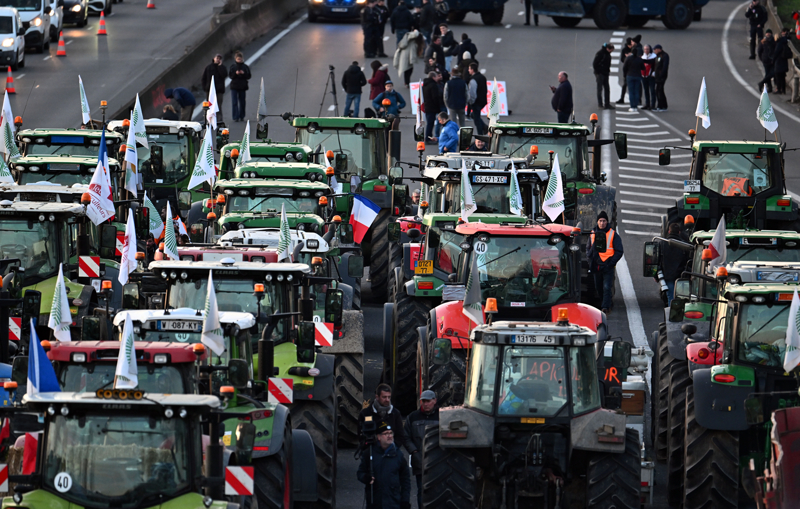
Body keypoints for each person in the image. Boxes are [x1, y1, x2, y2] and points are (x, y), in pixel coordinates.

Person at [357, 422, 411, 509]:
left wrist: (405, 500)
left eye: (391, 433)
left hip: (393, 501)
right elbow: (360, 473)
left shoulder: (398, 455)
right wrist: (366, 478)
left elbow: (405, 479)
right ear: (378, 437)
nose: (389, 436)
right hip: (375, 501)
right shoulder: (369, 453)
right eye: (386, 434)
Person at [404, 390, 439, 508]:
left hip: (438, 460)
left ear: (434, 401)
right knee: (422, 490)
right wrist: (414, 451)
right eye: (423, 401)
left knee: (438, 490)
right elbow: (406, 437)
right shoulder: (413, 417)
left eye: (428, 401)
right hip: (419, 460)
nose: (425, 404)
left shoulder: (442, 416)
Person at [586, 211, 623, 314]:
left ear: (607, 222)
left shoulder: (613, 234)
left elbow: (619, 251)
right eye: (600, 221)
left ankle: (605, 308)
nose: (602, 223)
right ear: (597, 222)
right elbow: (588, 248)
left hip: (607, 266)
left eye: (604, 221)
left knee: (607, 287)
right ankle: (605, 303)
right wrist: (590, 260)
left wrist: (611, 263)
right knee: (599, 287)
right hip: (596, 266)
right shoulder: (592, 234)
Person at [358, 384, 414, 452]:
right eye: (384, 397)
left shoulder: (395, 414)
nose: (387, 400)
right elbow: (360, 435)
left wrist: (392, 448)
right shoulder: (365, 414)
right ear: (377, 397)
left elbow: (400, 436)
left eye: (389, 397)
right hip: (371, 451)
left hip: (391, 451)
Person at [659, 223, 692, 306]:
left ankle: (671, 316)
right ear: (679, 232)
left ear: (669, 231)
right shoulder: (685, 245)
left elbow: (658, 260)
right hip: (681, 276)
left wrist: (657, 275)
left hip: (668, 276)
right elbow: (689, 261)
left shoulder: (662, 244)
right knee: (682, 298)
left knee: (671, 297)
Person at [201, 54, 228, 122]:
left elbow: (224, 75)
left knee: (218, 105)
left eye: (219, 58)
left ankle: (219, 120)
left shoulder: (223, 67)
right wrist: (205, 87)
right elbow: (204, 78)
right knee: (210, 106)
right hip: (209, 90)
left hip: (219, 90)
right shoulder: (208, 68)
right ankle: (210, 119)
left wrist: (220, 67)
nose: (218, 59)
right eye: (217, 58)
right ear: (214, 58)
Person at [229, 51, 251, 123]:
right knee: (234, 102)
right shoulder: (233, 67)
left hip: (242, 86)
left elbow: (249, 76)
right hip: (234, 86)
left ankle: (242, 116)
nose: (239, 60)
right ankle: (235, 116)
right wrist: (236, 74)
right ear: (235, 59)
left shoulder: (245, 67)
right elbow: (230, 76)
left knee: (242, 102)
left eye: (240, 59)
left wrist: (243, 73)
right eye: (238, 59)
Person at [467, 63, 488, 135]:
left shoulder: (473, 80)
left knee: (476, 120)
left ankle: (480, 135)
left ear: (472, 70)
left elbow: (472, 93)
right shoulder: (482, 77)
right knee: (474, 115)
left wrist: (471, 102)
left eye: (469, 69)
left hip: (476, 102)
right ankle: (484, 127)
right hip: (483, 100)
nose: (468, 70)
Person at [593, 43, 614, 109]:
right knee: (600, 89)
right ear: (608, 48)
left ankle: (607, 103)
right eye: (611, 50)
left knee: (607, 88)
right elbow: (595, 64)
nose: (611, 51)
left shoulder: (607, 54)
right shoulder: (601, 54)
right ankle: (600, 103)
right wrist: (599, 71)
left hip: (605, 73)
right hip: (600, 74)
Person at [422, 71, 443, 140]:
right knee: (430, 123)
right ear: (433, 77)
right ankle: (428, 137)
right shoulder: (433, 85)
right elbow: (435, 97)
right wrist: (438, 106)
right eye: (436, 76)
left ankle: (428, 136)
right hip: (432, 107)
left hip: (427, 106)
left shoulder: (425, 85)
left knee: (429, 123)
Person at [622, 47, 644, 112]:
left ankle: (632, 106)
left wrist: (625, 75)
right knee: (636, 91)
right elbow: (643, 68)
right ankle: (636, 106)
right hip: (637, 76)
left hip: (630, 75)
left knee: (631, 92)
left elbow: (624, 68)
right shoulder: (639, 59)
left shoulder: (628, 58)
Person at [773, 28, 791, 95]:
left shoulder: (779, 44)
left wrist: (773, 60)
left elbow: (776, 53)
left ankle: (779, 89)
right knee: (783, 77)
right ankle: (783, 90)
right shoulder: (784, 42)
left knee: (778, 76)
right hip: (784, 62)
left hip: (779, 62)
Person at [615, 37, 633, 104]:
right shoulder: (624, 50)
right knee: (625, 84)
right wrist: (627, 58)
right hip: (627, 68)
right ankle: (622, 98)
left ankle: (638, 99)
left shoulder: (635, 48)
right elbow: (622, 59)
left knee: (637, 85)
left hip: (634, 68)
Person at [653, 44, 669, 112]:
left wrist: (661, 75)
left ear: (659, 49)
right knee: (658, 90)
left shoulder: (664, 56)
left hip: (661, 76)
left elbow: (664, 67)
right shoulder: (658, 56)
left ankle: (662, 106)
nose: (654, 51)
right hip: (657, 76)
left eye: (655, 50)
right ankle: (661, 105)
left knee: (659, 90)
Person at [641, 45, 656, 110]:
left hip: (651, 76)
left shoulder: (654, 57)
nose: (646, 50)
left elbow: (655, 65)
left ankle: (653, 105)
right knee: (646, 90)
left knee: (652, 90)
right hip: (643, 76)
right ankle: (647, 104)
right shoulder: (642, 57)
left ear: (650, 49)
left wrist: (654, 72)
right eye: (645, 49)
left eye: (647, 49)